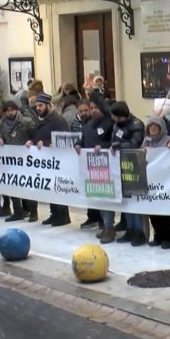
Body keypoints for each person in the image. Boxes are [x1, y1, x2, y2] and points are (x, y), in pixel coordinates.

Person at [73, 99, 115, 243]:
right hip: (92, 167)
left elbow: (113, 142)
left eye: (96, 107)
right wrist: (78, 144)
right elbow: (83, 140)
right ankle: (104, 226)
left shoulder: (109, 123)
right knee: (98, 199)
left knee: (107, 199)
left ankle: (110, 228)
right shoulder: (87, 125)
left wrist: (102, 146)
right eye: (91, 108)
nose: (93, 110)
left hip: (107, 166)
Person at [106, 102, 146, 245]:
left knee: (134, 199)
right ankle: (129, 229)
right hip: (120, 165)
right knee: (126, 201)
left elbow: (135, 143)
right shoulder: (117, 125)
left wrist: (118, 145)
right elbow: (113, 140)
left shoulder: (137, 124)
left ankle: (139, 231)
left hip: (134, 165)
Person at [28, 92, 71, 227]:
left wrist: (46, 144)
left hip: (57, 161)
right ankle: (55, 213)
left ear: (48, 105)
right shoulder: (41, 120)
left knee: (58, 188)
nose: (38, 108)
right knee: (51, 189)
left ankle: (62, 215)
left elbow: (64, 139)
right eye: (37, 106)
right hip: (46, 162)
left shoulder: (57, 120)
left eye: (41, 105)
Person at [0, 100, 38, 222]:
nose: (10, 113)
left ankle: (33, 211)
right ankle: (18, 211)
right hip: (11, 159)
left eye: (12, 110)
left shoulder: (25, 122)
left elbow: (35, 134)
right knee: (13, 185)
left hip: (25, 158)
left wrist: (32, 141)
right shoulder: (2, 123)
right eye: (7, 110)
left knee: (28, 185)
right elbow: (0, 135)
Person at [143, 115, 170, 248]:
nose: (152, 128)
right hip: (151, 182)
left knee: (167, 211)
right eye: (150, 126)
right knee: (154, 211)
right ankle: (158, 236)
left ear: (161, 127)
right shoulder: (146, 141)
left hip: (166, 181)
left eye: (155, 126)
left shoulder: (168, 140)